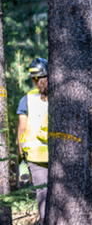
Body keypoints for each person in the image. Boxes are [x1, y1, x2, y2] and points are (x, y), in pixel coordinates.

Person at [17, 58, 49, 225]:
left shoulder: (26, 99)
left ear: (34, 79)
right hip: (59, 155)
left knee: (43, 194)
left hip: (35, 158)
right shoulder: (61, 96)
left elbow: (21, 131)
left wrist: (22, 163)